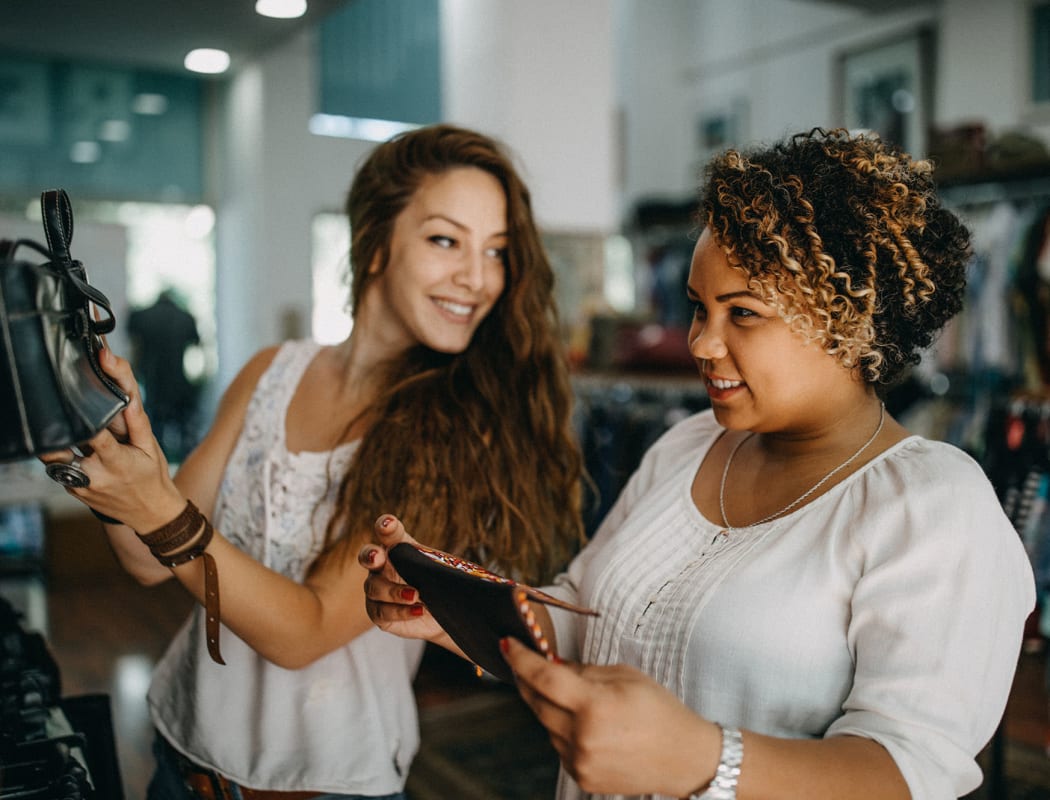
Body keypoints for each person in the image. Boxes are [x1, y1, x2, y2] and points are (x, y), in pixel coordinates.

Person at [360, 128, 1036, 800]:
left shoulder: (932, 507)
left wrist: (704, 760)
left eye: (742, 314)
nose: (700, 343)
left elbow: (911, 771)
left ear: (849, 323)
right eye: (698, 307)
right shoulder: (687, 447)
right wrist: (459, 611)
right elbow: (582, 621)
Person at [40, 124, 585, 799]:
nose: (477, 278)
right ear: (376, 241)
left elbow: (304, 632)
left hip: (324, 787)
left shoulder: (451, 432)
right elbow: (148, 558)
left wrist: (161, 509)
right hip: (182, 761)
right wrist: (120, 449)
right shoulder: (274, 369)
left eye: (497, 251)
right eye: (445, 240)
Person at [127, 288, 202, 461]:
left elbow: (135, 348)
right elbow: (198, 347)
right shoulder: (185, 317)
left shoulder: (142, 316)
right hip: (178, 381)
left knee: (153, 434)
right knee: (185, 437)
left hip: (153, 381)